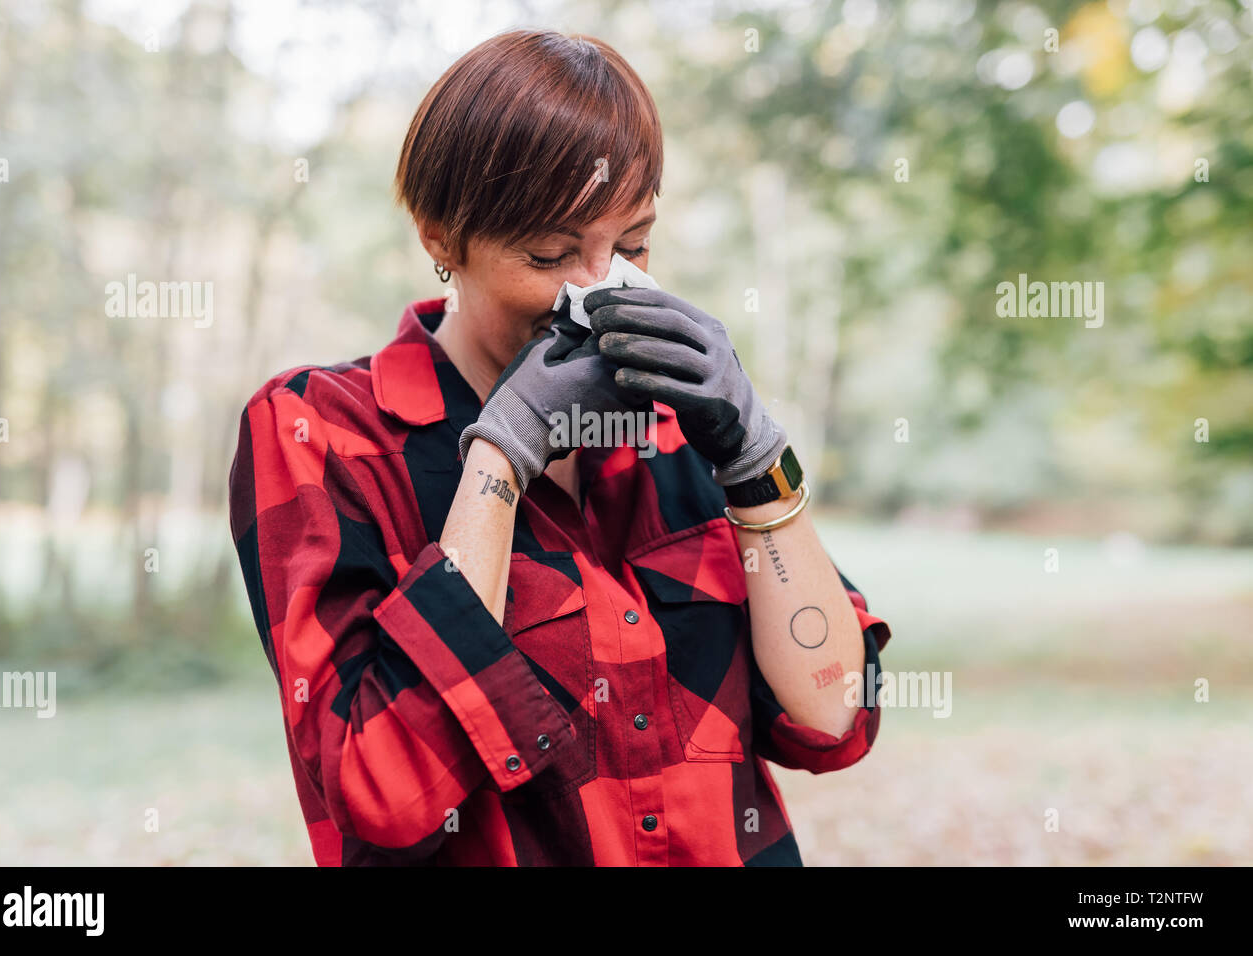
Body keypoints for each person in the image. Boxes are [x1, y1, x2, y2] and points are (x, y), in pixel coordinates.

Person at [227, 27, 892, 866]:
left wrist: (756, 459)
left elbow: (835, 718)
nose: (600, 290)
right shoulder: (320, 430)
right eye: (550, 253)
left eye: (635, 244)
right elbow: (380, 792)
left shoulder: (676, 426)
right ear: (440, 236)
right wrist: (501, 454)